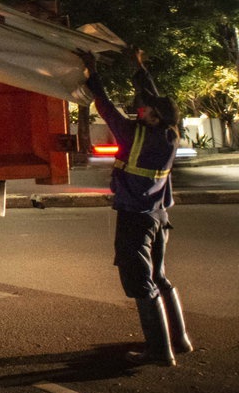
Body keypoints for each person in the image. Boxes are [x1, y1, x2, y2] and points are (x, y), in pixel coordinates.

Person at [79, 48, 192, 367]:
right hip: (159, 216)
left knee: (141, 282)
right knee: (160, 277)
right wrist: (139, 67)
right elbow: (154, 98)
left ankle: (159, 351)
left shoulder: (133, 135)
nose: (139, 109)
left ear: (153, 116)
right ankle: (179, 339)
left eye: (144, 109)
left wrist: (92, 73)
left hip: (136, 219)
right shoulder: (170, 133)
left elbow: (107, 109)